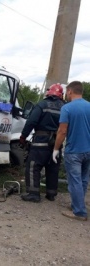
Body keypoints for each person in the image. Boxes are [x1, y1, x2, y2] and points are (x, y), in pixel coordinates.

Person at [19, 83, 65, 202]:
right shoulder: (65, 107)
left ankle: (33, 194)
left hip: (41, 142)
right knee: (53, 168)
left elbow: (31, 122)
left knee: (33, 166)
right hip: (57, 143)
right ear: (61, 95)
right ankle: (51, 194)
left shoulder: (42, 104)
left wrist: (23, 136)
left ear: (48, 93)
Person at [53, 81, 90, 221]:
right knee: (83, 180)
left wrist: (56, 149)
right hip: (88, 149)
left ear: (69, 91)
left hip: (74, 151)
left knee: (75, 181)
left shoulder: (67, 108)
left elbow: (62, 131)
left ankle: (79, 212)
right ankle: (78, 204)